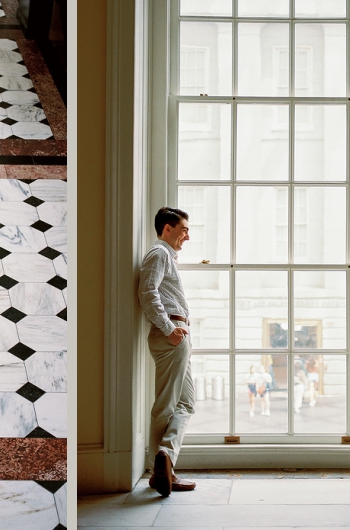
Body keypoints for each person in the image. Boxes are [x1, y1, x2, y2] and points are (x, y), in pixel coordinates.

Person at [138, 207, 197, 496]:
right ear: (167, 229)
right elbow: (147, 292)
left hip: (177, 335)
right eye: (184, 228)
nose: (187, 235)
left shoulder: (165, 256)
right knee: (166, 404)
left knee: (186, 403)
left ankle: (165, 460)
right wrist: (168, 329)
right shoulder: (159, 254)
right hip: (171, 335)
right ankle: (158, 469)